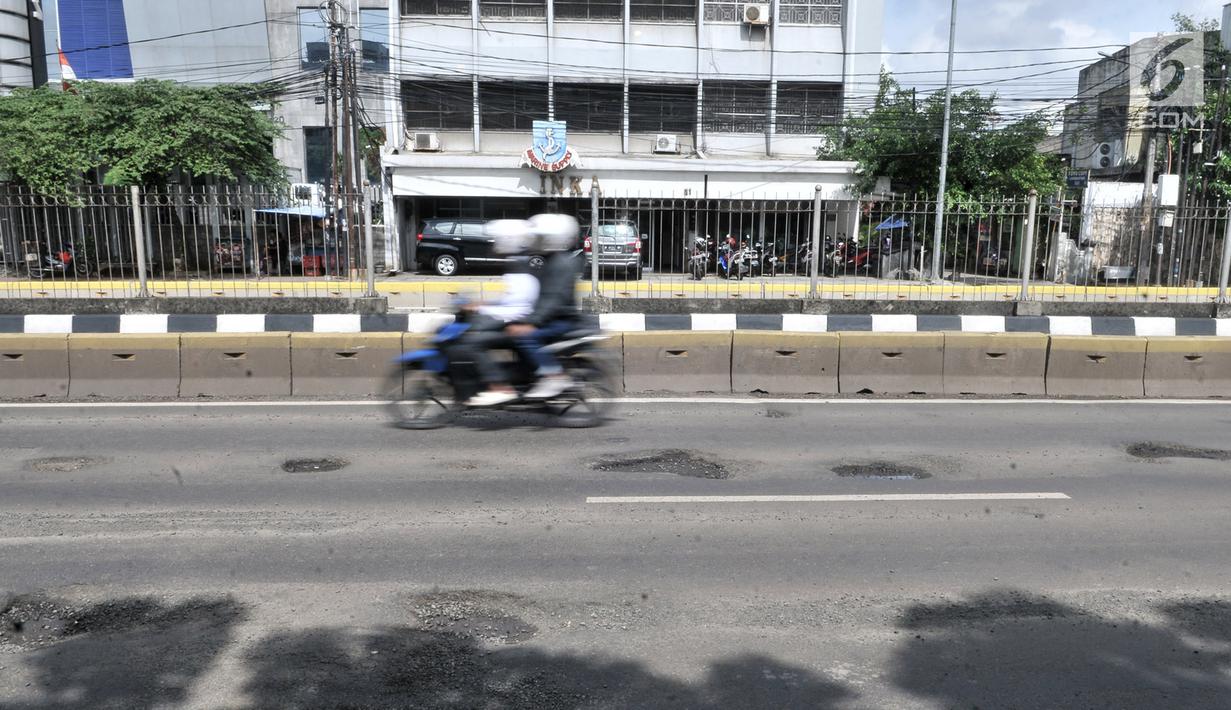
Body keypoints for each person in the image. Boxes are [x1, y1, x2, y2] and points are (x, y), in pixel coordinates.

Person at [450, 219, 540, 407]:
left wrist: (481, 309)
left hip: (518, 323)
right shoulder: (519, 261)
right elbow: (509, 300)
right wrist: (481, 305)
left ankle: (499, 386)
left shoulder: (519, 265)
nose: (494, 244)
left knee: (473, 341)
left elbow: (515, 308)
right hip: (516, 319)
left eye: (498, 239)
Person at [509, 213, 584, 400]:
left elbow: (553, 298)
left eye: (540, 237)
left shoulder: (561, 263)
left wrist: (531, 323)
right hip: (552, 316)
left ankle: (554, 376)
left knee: (526, 338)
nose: (535, 241)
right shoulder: (550, 260)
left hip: (562, 319)